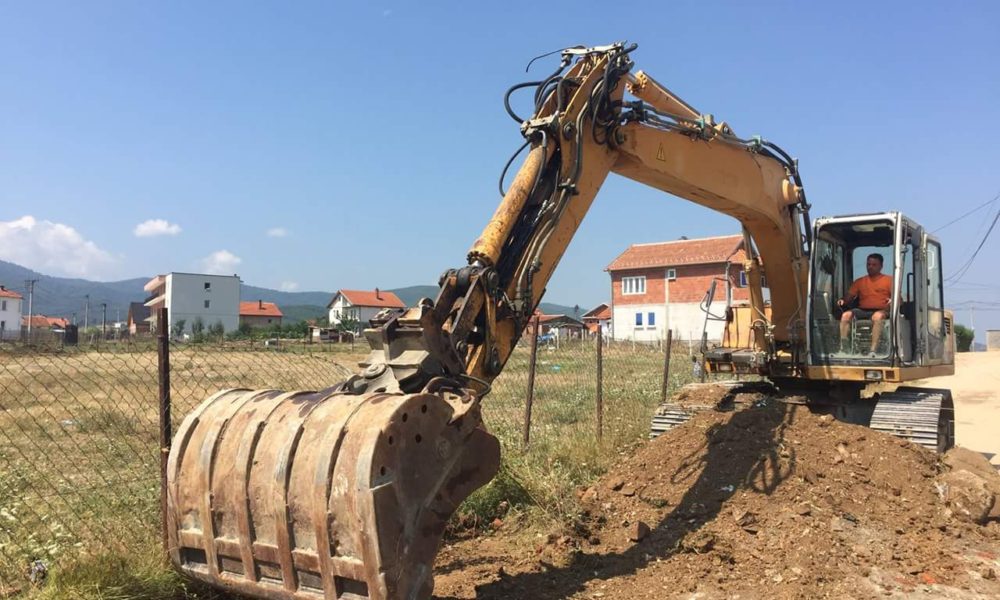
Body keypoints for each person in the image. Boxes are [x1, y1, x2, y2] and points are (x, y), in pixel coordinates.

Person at [838, 253, 892, 354]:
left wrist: (893, 300)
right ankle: (844, 347)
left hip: (881, 310)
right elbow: (848, 297)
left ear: (881, 266)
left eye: (874, 265)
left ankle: (873, 350)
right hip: (862, 310)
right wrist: (843, 300)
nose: (870, 267)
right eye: (868, 264)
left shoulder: (889, 280)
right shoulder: (860, 281)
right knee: (846, 315)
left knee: (878, 316)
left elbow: (899, 299)